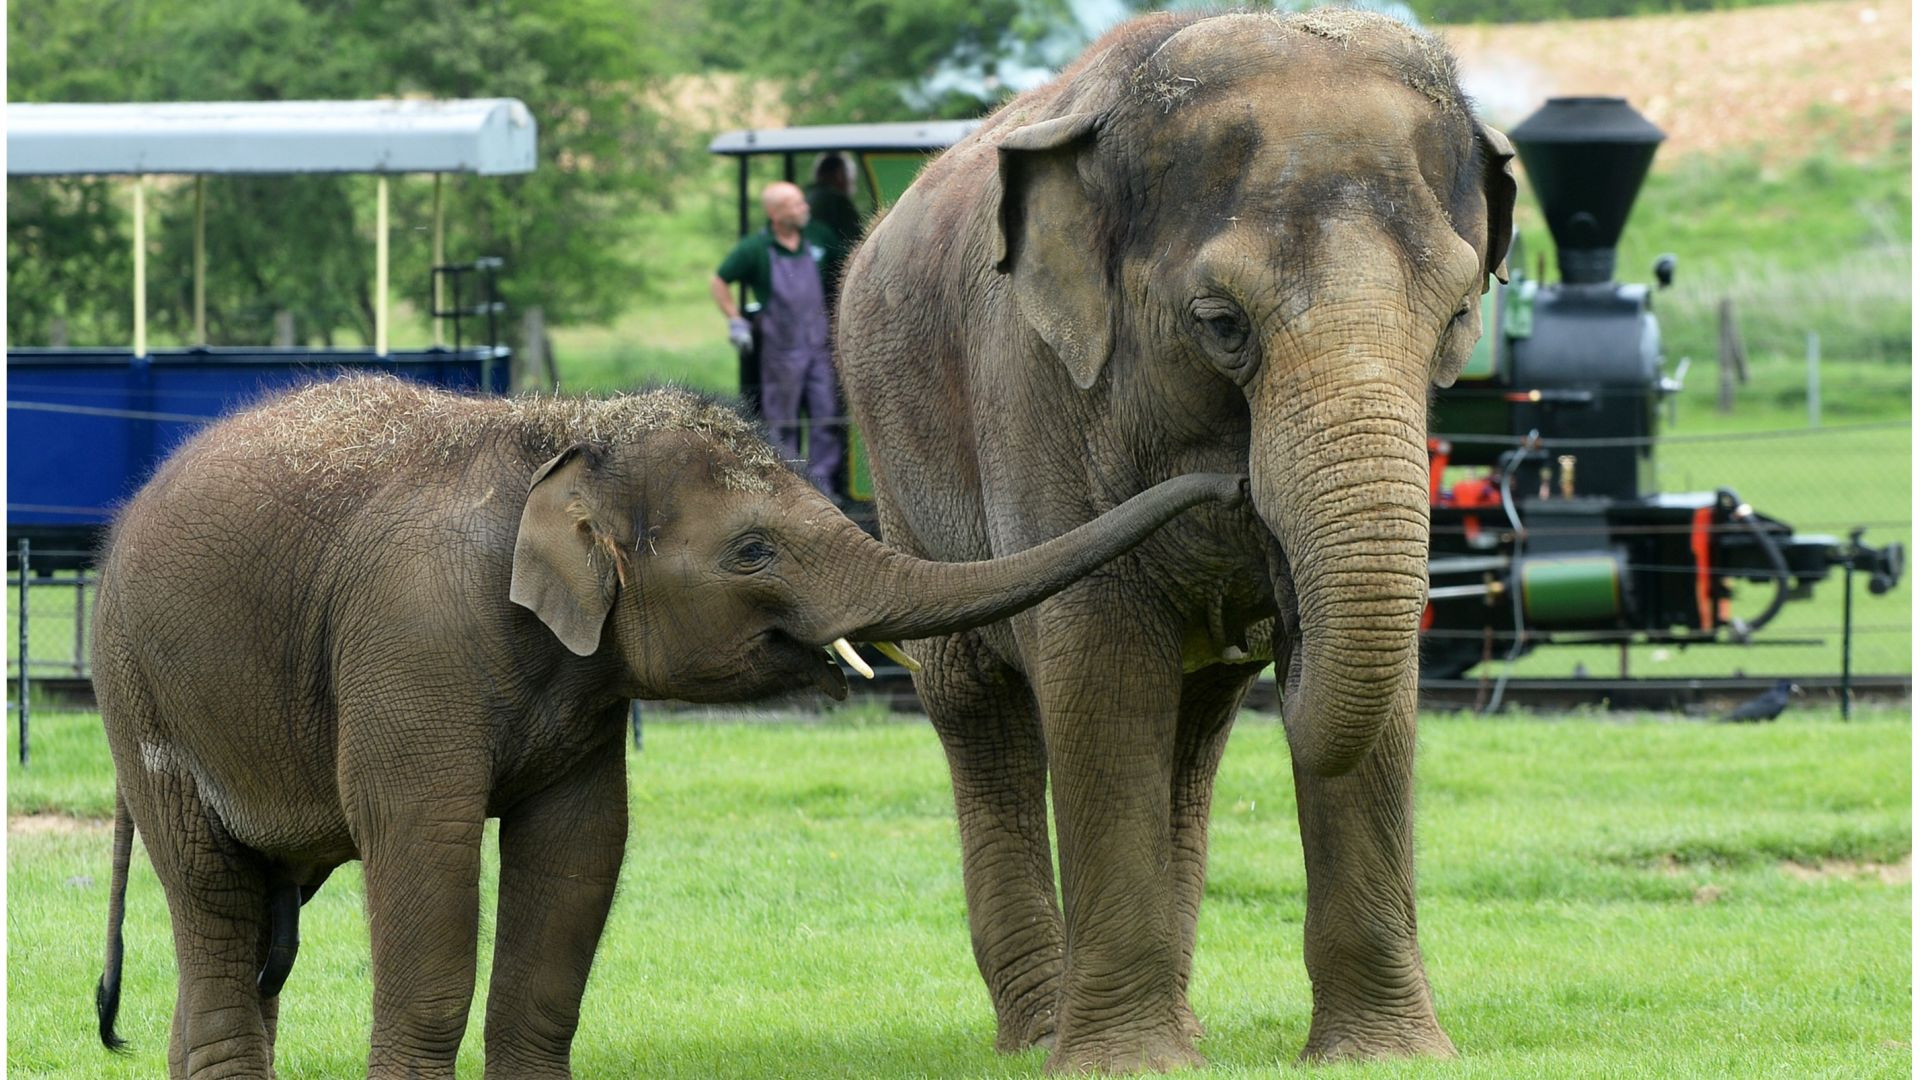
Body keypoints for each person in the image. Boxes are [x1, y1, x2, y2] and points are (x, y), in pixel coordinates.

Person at [709, 181, 843, 496]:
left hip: (820, 345)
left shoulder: (819, 237)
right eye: (796, 205)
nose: (805, 208)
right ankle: (791, 488)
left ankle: (824, 485)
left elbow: (846, 266)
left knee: (827, 414)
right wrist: (735, 320)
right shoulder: (756, 248)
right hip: (782, 350)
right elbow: (719, 281)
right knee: (783, 420)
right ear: (775, 213)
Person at [805, 153, 860, 303]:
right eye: (850, 177)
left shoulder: (802, 196)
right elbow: (856, 245)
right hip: (832, 285)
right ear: (839, 175)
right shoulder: (837, 200)